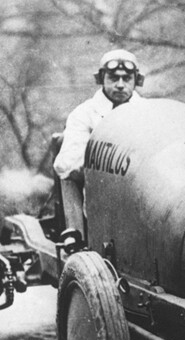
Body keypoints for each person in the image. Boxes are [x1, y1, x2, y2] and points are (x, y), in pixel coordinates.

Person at [53, 49, 145, 230]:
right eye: (113, 78)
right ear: (101, 79)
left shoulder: (148, 112)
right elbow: (67, 163)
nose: (120, 85)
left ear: (136, 81)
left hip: (143, 199)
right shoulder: (84, 114)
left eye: (126, 78)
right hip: (102, 202)